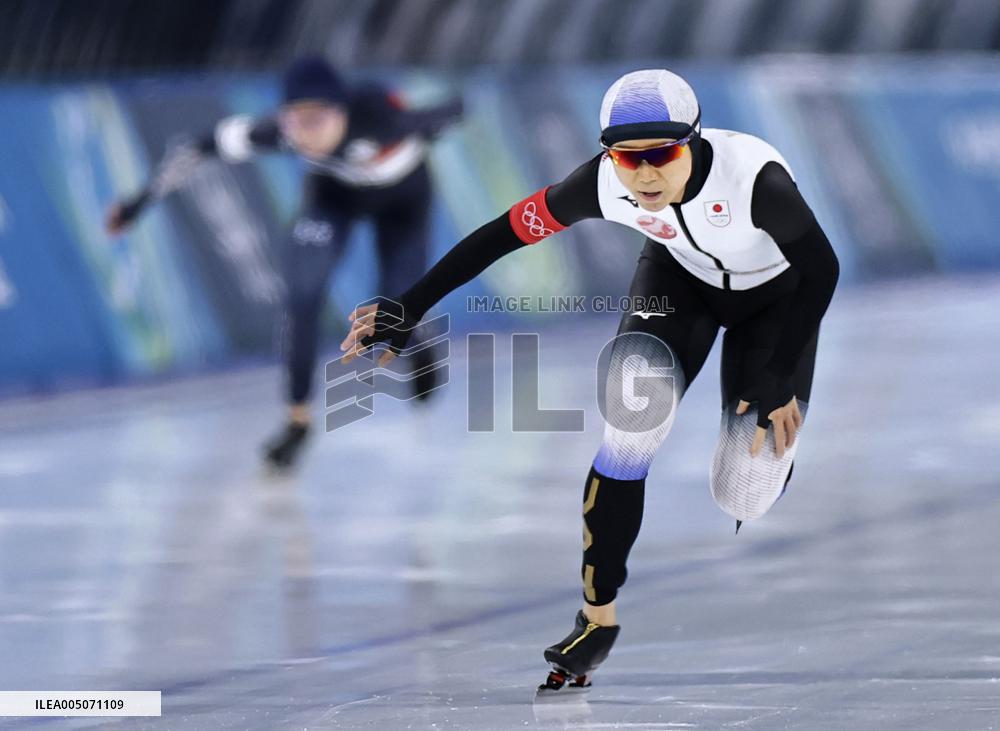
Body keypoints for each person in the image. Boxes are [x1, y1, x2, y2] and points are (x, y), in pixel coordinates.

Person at [340, 69, 839, 691]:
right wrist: (410, 307)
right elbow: (499, 236)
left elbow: (821, 270)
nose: (645, 174)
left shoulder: (755, 182)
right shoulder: (603, 184)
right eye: (628, 159)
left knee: (742, 495)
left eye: (663, 154)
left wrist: (776, 375)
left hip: (777, 299)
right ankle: (596, 619)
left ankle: (761, 445)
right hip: (678, 287)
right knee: (631, 421)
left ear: (695, 139)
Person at [106, 56, 462, 469]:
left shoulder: (382, 116)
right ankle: (297, 422)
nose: (303, 135)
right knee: (301, 293)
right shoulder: (281, 134)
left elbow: (451, 109)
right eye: (294, 121)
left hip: (404, 201)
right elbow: (195, 149)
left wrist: (446, 116)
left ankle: (420, 345)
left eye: (315, 122)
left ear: (342, 111)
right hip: (334, 197)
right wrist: (136, 204)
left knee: (393, 312)